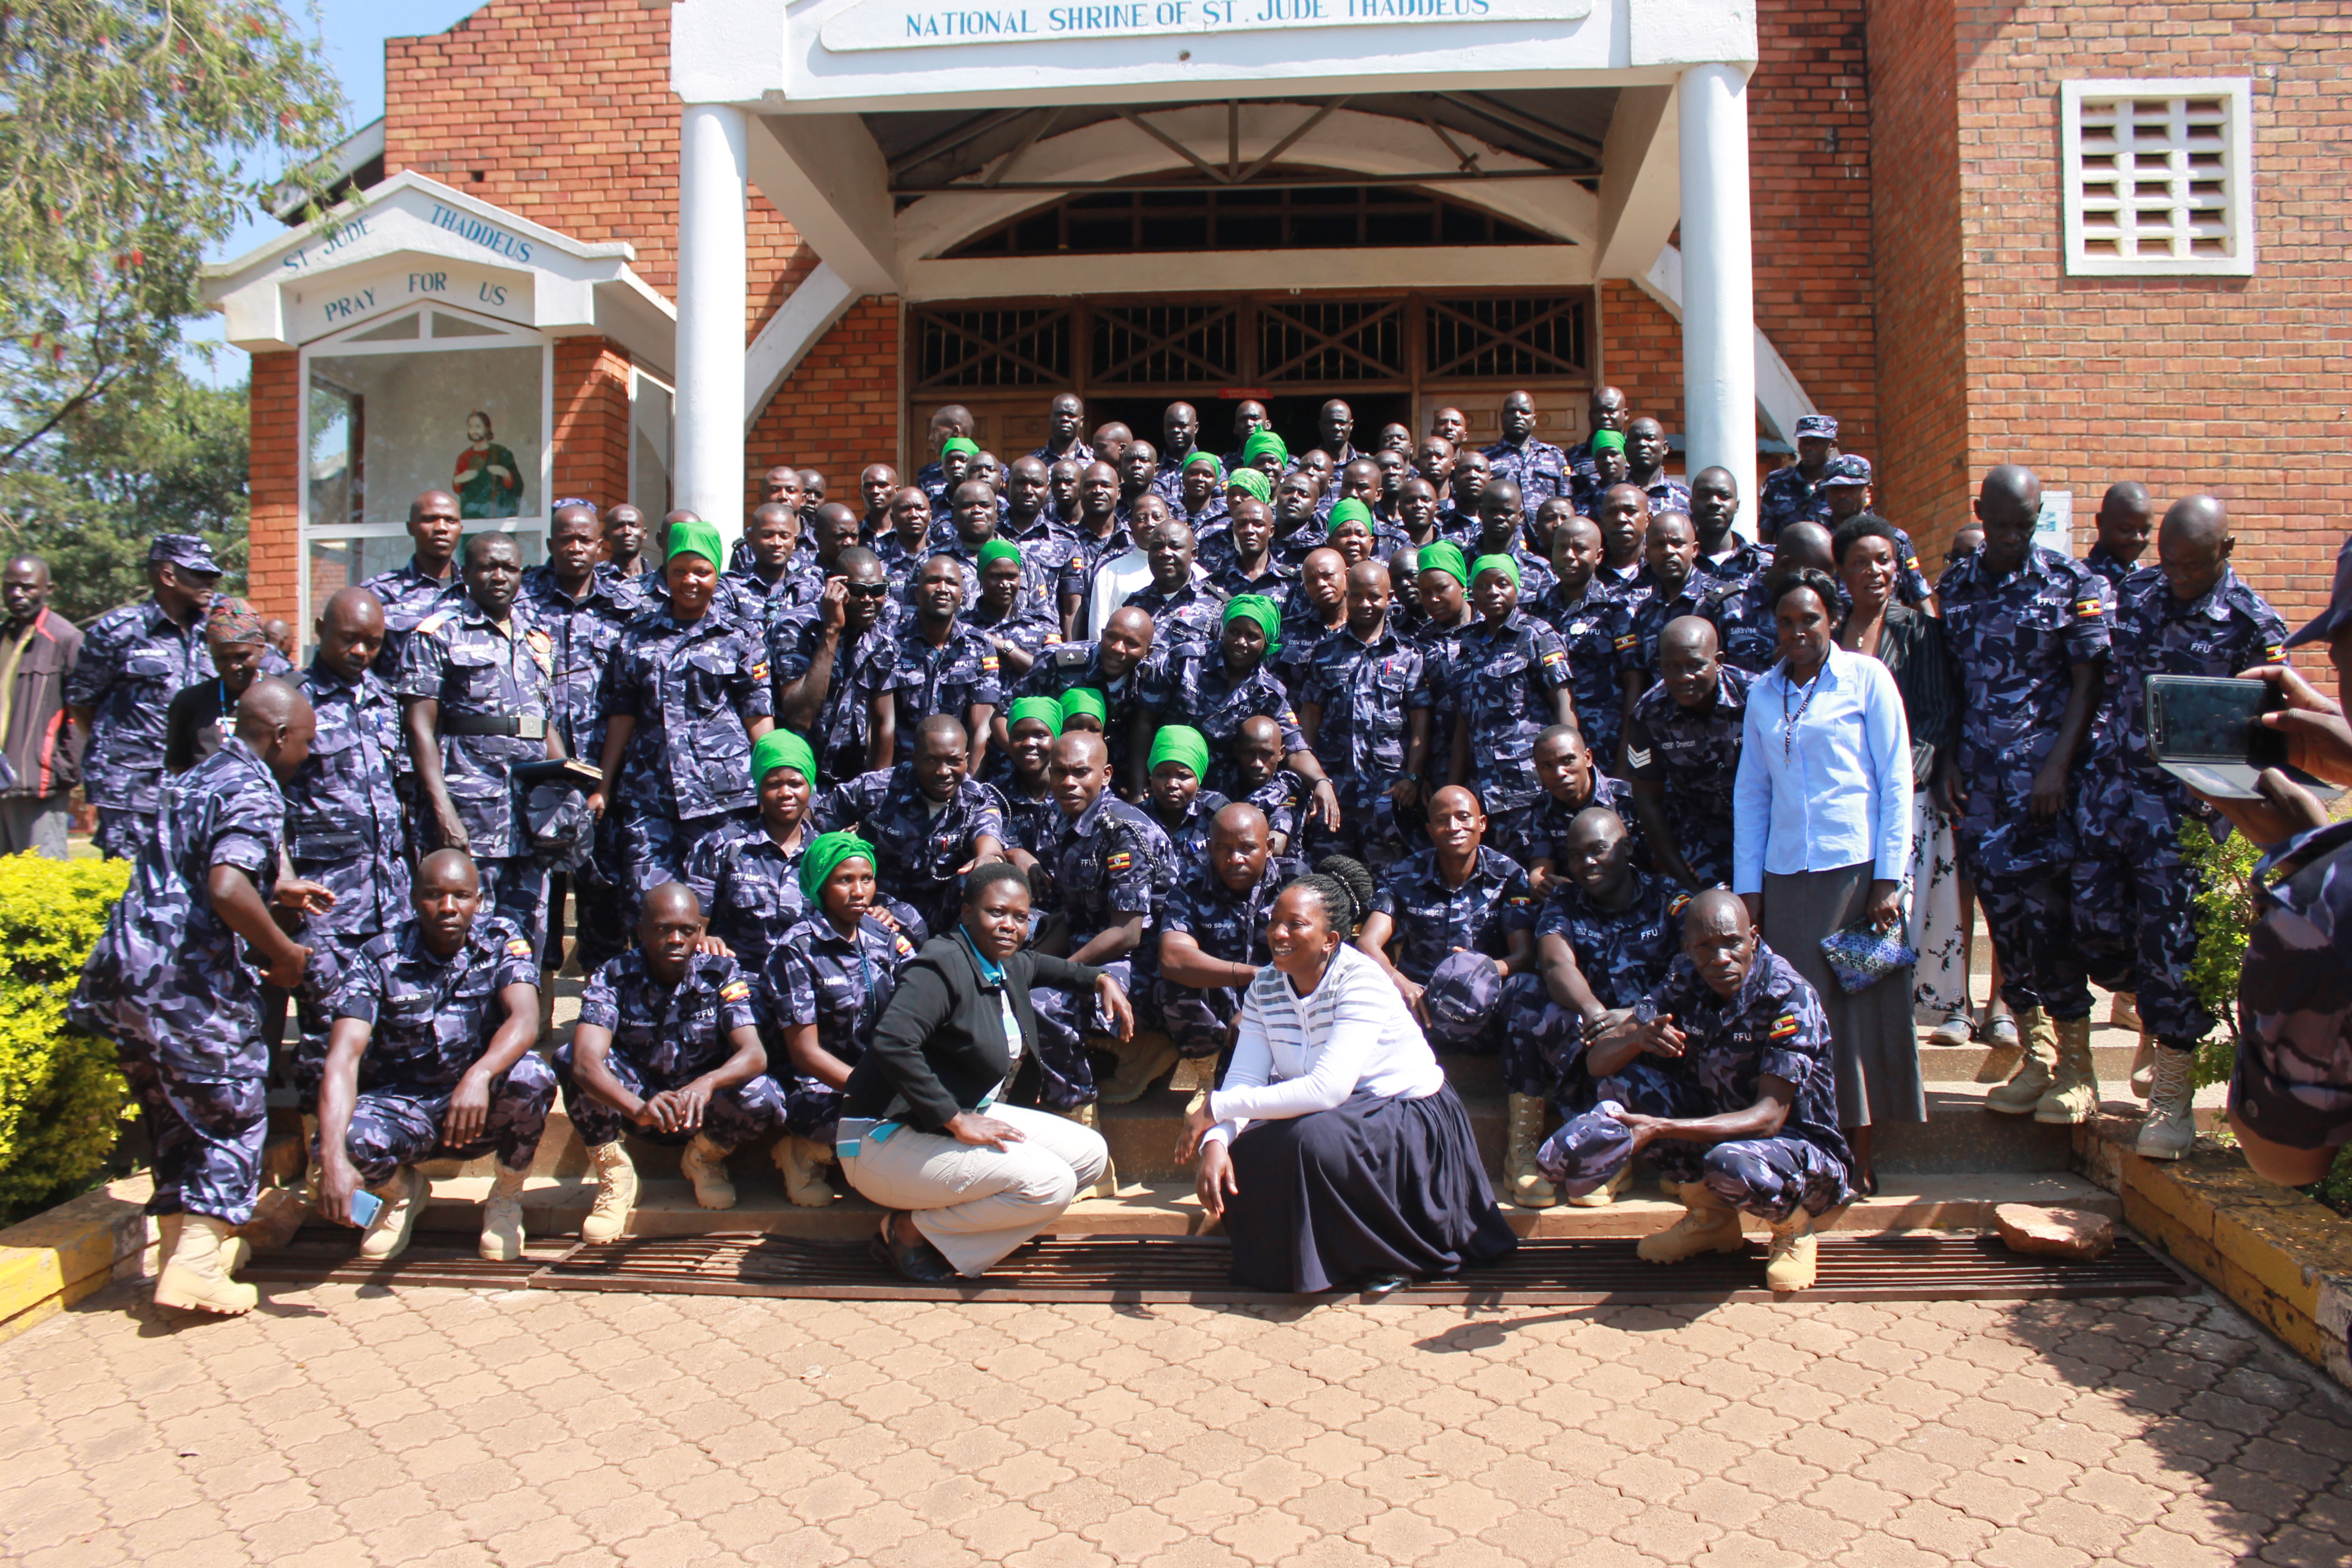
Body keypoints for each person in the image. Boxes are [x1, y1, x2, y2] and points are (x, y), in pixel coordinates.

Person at [68, 679, 328, 1315]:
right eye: (305, 741)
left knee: (174, 1117)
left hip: (130, 976)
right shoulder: (254, 787)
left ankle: (189, 1253)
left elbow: (193, 873)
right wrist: (284, 953)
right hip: (188, 980)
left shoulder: (194, 776)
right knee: (233, 1106)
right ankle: (196, 1268)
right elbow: (224, 887)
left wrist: (275, 892)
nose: (308, 754)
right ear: (277, 736)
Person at [1181, 858, 1518, 1295]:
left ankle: (1392, 1256)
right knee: (1250, 1146)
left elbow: (1329, 1089)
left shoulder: (1362, 981)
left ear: (1331, 940)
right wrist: (1217, 1140)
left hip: (1404, 1112)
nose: (1278, 934)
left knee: (1312, 1140)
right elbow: (1244, 1078)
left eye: (1296, 925)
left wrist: (1215, 1109)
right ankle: (1307, 1262)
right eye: (1274, 922)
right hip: (1339, 1110)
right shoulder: (1265, 986)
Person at [2076, 498, 2285, 1158]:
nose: (2180, 577)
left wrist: (2241, 812)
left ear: (2229, 549)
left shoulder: (2253, 624)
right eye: (2169, 563)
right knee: (2095, 925)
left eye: (2194, 566)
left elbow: (2272, 734)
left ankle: (2171, 1098)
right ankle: (2144, 1006)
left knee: (2175, 950)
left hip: (2185, 815)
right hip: (2113, 797)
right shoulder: (2137, 592)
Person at [842, 863, 1132, 1282]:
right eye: (996, 913)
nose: (1009, 926)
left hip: (941, 1123)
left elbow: (1047, 968)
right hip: (880, 1139)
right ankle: (906, 1232)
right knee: (1050, 1184)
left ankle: (972, 1229)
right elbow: (892, 1042)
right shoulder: (940, 966)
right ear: (965, 914)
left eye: (1020, 917)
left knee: (1089, 1155)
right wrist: (954, 1119)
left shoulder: (1004, 963)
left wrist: (1101, 979)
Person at [1732, 567, 1916, 1195]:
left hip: (1859, 875)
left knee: (1858, 1016)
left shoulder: (1867, 679)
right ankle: (1810, 1142)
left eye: (1808, 619)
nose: (1797, 632)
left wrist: (1890, 879)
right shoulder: (1763, 693)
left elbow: (1896, 781)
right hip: (1786, 879)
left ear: (1830, 620)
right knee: (1797, 1015)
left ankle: (1859, 1151)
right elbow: (1751, 795)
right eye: (1785, 622)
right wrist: (1748, 888)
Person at [1564, 891, 1853, 1292]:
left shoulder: (1788, 997)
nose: (1720, 958)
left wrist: (1663, 1127)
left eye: (1732, 942)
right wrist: (1640, 1037)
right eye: (1705, 947)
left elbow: (1769, 1117)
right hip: (1721, 1129)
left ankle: (1795, 1230)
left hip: (1802, 1154)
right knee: (1620, 1090)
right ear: (1688, 948)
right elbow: (1599, 1065)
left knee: (1729, 1161)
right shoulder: (1686, 975)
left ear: (1753, 936)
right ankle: (1711, 1220)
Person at [1939, 465, 2109, 1125]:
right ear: (1981, 512)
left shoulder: (2071, 584)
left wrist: (2058, 768)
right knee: (2006, 926)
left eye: (2026, 524)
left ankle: (2078, 1067)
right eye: (2003, 524)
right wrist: (1950, 760)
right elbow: (1950, 684)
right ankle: (2036, 1056)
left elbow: (2089, 682)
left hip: (2044, 793)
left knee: (2051, 925)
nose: (2014, 536)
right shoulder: (1956, 586)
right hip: (1981, 790)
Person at [313, 848, 554, 1262]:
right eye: (434, 895)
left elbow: (525, 1019)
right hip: (403, 1105)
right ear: (412, 897)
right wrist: (333, 1157)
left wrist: (478, 1076)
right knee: (335, 1142)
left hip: (478, 1105)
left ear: (479, 901)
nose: (448, 907)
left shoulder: (501, 940)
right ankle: (400, 1194)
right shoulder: (379, 956)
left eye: (461, 895)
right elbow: (343, 1057)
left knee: (532, 1076)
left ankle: (506, 1198)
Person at [558, 883, 783, 1239]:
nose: (677, 939)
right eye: (664, 929)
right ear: (641, 931)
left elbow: (753, 1054)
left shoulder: (721, 972)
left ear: (700, 933)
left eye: (687, 930)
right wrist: (638, 1108)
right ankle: (617, 1176)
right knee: (569, 1058)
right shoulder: (614, 975)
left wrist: (705, 1084)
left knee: (764, 1094)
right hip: (639, 1098)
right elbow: (586, 1060)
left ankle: (703, 1158)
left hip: (701, 1105)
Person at [1504, 807, 1686, 1207]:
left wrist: (1639, 1014)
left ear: (1627, 849)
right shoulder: (1566, 900)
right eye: (1575, 854)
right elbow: (1555, 962)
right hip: (1590, 1030)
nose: (1586, 863)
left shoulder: (1667, 897)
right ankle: (1523, 1148)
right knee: (1525, 993)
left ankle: (1612, 1156)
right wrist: (1595, 1012)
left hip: (1653, 1035)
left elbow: (1693, 967)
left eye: (1598, 850)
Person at [589, 520, 775, 912]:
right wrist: (603, 786)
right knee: (647, 902)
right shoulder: (637, 635)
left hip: (721, 797)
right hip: (648, 793)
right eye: (679, 571)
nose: (690, 580)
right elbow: (622, 715)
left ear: (717, 574)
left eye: (702, 571)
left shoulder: (740, 636)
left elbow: (757, 716)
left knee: (721, 904)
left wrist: (770, 778)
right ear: (666, 574)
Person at [284, 588, 410, 1142]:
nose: (361, 651)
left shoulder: (385, 700)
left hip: (390, 898)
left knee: (385, 1027)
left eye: (373, 642)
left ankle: (370, 1151)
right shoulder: (290, 703)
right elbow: (268, 804)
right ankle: (321, 1150)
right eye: (349, 639)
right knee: (324, 1031)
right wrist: (284, 881)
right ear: (319, 628)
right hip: (324, 901)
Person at [1833, 516, 1967, 1042]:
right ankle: (1868, 1017)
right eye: (1861, 562)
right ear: (1841, 571)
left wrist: (1897, 778)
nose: (1875, 571)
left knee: (1896, 905)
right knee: (1857, 902)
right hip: (1843, 797)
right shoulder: (1830, 630)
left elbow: (1936, 715)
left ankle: (1904, 1016)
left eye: (1884, 561)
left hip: (1905, 795)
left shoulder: (1919, 630)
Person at [524, 500, 644, 977]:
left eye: (584, 540)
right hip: (537, 774)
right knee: (538, 905)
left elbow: (629, 701)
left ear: (601, 546)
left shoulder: (627, 608)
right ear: (551, 545)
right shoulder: (523, 602)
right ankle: (539, 1022)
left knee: (606, 903)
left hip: (606, 777)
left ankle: (598, 1017)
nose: (575, 548)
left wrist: (605, 785)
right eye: (565, 540)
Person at [766, 831, 919, 1207]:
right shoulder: (796, 950)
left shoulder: (885, 938)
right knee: (897, 1130)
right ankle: (805, 1152)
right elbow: (805, 1054)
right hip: (819, 1088)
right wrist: (872, 1091)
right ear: (820, 884)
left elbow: (921, 1004)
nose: (858, 891)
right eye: (844, 880)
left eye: (866, 879)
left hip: (883, 1075)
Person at [1032, 731, 1173, 1108]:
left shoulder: (1124, 830)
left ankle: (1074, 1098)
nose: (1068, 783)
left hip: (1142, 960)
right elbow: (1072, 911)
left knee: (1041, 1001)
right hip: (1087, 937)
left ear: (1106, 774)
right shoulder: (1062, 815)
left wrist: (1056, 971)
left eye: (1081, 772)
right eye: (1059, 772)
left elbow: (1127, 933)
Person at [67, 532, 220, 858]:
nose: (212, 582)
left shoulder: (215, 631)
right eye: (200, 574)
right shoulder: (118, 632)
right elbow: (82, 702)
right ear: (167, 576)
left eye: (213, 575)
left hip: (199, 785)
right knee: (131, 889)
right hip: (132, 792)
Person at [1357, 785, 1537, 1032]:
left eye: (1463, 817)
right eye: (1442, 820)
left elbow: (1524, 956)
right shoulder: (1402, 875)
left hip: (1486, 997)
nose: (1454, 827)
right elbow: (1367, 944)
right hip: (1420, 999)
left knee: (1528, 988)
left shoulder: (1508, 876)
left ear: (1482, 823)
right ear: (1430, 831)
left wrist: (1482, 968)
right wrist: (1401, 983)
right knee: (1365, 986)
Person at [815, 714, 1007, 939]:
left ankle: (963, 956)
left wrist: (988, 859)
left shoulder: (977, 799)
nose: (943, 771)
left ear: (966, 760)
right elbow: (818, 824)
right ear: (915, 759)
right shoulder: (877, 790)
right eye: (932, 760)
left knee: (980, 877)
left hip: (945, 910)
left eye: (954, 761)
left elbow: (990, 846)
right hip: (878, 906)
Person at [1444, 554, 1577, 867]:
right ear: (1470, 593)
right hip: (1483, 793)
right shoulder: (1466, 645)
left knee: (1539, 874)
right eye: (1483, 586)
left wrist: (1563, 774)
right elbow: (1464, 724)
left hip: (1530, 788)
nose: (1493, 592)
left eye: (1502, 583)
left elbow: (1564, 704)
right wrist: (1454, 787)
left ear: (1517, 588)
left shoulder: (1536, 635)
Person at [1298, 559, 1429, 874]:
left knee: (1390, 879)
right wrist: (1311, 780)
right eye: (1356, 596)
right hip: (1335, 792)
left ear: (1389, 597)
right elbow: (1310, 720)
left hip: (1388, 794)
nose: (1365, 604)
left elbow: (1420, 724)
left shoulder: (1409, 655)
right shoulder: (1327, 652)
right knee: (1330, 877)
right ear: (1346, 593)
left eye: (1374, 596)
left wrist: (1413, 777)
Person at [1625, 617, 1750, 890]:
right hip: (1700, 832)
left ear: (1718, 660)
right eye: (1673, 666)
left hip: (1762, 826)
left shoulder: (1755, 697)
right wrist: (1680, 874)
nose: (1684, 677)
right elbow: (1647, 799)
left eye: (1696, 665)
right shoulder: (1648, 715)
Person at [1156, 802, 1282, 1069]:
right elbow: (1174, 957)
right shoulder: (1192, 883)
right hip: (1223, 996)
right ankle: (1208, 1065)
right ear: (1211, 849)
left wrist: (1257, 1005)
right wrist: (1251, 974)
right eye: (1224, 849)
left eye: (1247, 848)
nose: (1235, 859)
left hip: (1280, 995)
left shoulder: (1295, 883)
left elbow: (1315, 961)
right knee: (1171, 985)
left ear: (1269, 848)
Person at [869, 552, 1003, 768]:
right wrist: (883, 786)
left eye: (951, 583)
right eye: (933, 581)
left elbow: (981, 729)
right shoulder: (891, 645)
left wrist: (969, 787)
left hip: (955, 770)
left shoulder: (979, 646)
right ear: (917, 593)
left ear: (962, 595)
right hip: (904, 768)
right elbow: (884, 726)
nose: (942, 589)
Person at [772, 547, 892, 785]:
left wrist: (877, 790)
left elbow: (883, 723)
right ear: (836, 588)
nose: (868, 600)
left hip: (851, 776)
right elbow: (800, 716)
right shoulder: (796, 627)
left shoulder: (880, 637)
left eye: (877, 591)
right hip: (797, 774)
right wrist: (831, 630)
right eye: (858, 591)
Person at [0, 555, 81, 857]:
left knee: (40, 880)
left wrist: (59, 771)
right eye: (10, 587)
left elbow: (82, 717)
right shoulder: (4, 636)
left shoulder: (66, 640)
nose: (17, 594)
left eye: (27, 587)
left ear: (49, 589)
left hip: (38, 788)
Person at [1522, 722, 1637, 897]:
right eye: (1547, 766)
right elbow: (1540, 872)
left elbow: (1656, 865)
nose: (1560, 773)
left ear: (1588, 758)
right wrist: (1544, 886)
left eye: (1568, 760)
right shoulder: (1542, 807)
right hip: (1575, 901)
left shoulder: (1626, 799)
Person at [362, 492, 465, 682]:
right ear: (411, 528)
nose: (441, 528)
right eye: (430, 519)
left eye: (450, 521)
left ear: (461, 528)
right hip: (399, 706)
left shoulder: (476, 593)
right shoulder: (378, 594)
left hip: (462, 709)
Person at [162, 599, 271, 774]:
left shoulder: (285, 698)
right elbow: (178, 766)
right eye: (222, 658)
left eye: (242, 656)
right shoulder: (190, 702)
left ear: (262, 649)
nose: (234, 666)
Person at [1123, 519, 1226, 658]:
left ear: (1193, 555)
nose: (1165, 553)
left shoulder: (1217, 606)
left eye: (1175, 547)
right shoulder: (1134, 604)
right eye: (1157, 547)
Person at [1483, 390, 1569, 508]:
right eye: (1512, 411)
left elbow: (1565, 501)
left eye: (1524, 412)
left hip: (1544, 526)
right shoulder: (1486, 458)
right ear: (1502, 418)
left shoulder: (1554, 455)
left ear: (1534, 420)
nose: (1518, 416)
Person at [1759, 413, 1838, 541]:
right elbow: (1766, 536)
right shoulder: (1777, 482)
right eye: (1804, 441)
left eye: (1816, 442)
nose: (1808, 447)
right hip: (1789, 559)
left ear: (1833, 445)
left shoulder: (1843, 484)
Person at [1689, 468, 1771, 587]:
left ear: (1737, 506)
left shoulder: (1762, 563)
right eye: (1704, 496)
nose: (1714, 502)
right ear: (1691, 504)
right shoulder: (1678, 562)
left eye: (1724, 496)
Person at [1564, 385, 1633, 513]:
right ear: (1590, 416)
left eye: (1611, 411)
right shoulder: (1572, 456)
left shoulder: (1636, 452)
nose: (1604, 416)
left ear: (1626, 414)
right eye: (1598, 411)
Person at [1624, 418, 1691, 515]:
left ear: (1665, 448)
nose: (1642, 444)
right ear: (1625, 449)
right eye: (1635, 439)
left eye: (1650, 438)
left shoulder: (1685, 496)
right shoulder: (1613, 496)